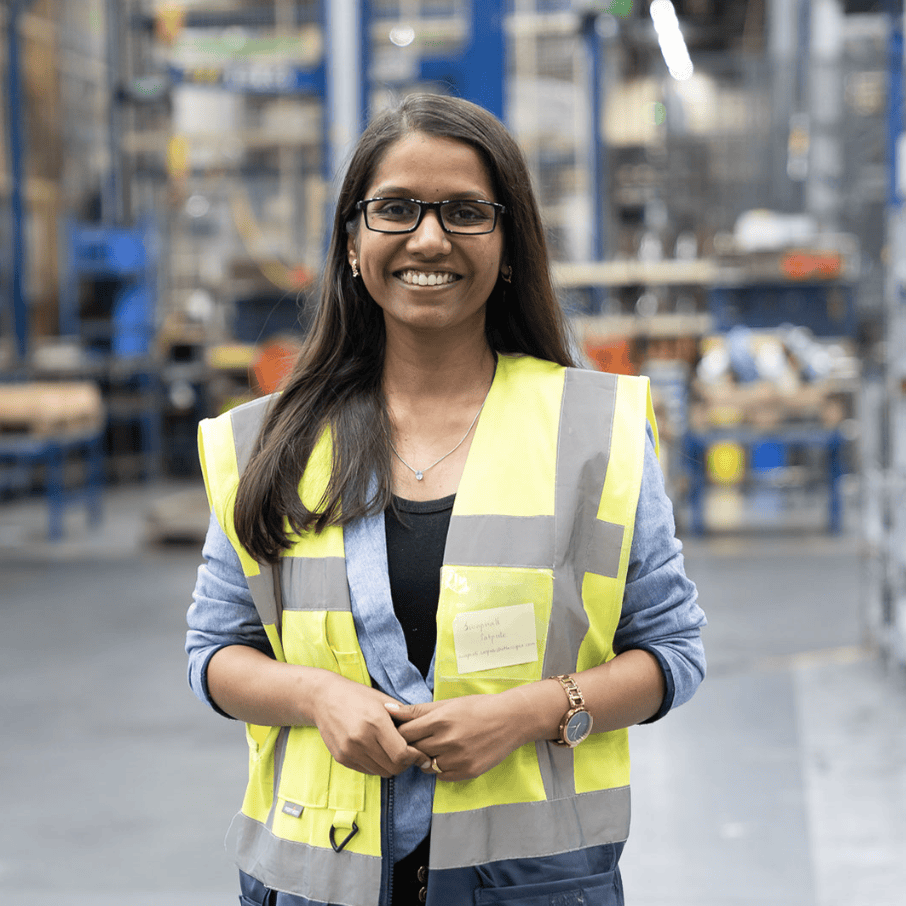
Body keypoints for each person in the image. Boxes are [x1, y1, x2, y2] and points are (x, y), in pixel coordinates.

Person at [186, 93, 706, 906]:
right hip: (316, 880)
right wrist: (318, 695)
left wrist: (533, 710)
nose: (429, 238)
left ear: (509, 246)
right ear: (352, 243)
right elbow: (216, 652)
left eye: (465, 211)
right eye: (395, 209)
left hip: (533, 883)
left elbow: (670, 651)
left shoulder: (593, 429)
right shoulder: (266, 441)